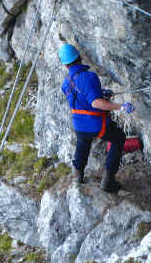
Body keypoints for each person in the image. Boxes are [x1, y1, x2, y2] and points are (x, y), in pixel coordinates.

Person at [59, 44, 135, 192]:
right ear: (79, 57)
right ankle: (108, 180)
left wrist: (101, 93)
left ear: (66, 65)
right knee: (118, 138)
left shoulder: (65, 84)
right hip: (95, 124)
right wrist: (120, 106)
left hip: (79, 124)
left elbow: (82, 97)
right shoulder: (89, 76)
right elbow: (96, 103)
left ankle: (77, 176)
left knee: (83, 146)